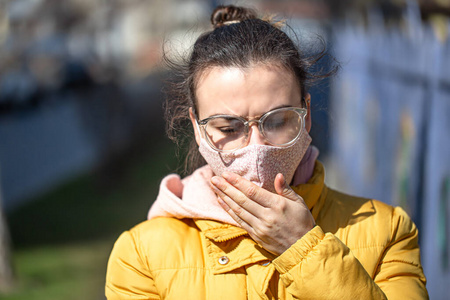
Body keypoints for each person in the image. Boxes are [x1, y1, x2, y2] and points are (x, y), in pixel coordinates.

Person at [105, 5, 428, 299]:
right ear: (197, 126)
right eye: (228, 128)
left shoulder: (387, 230)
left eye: (277, 121)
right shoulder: (142, 253)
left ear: (307, 115)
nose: (257, 147)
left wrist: (304, 248)